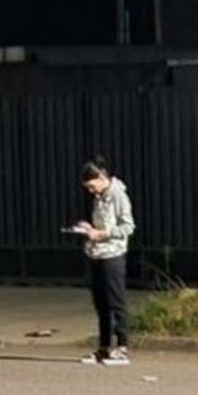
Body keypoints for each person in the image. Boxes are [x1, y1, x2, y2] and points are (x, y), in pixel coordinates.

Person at [72, 156, 135, 366]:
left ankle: (122, 348)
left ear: (100, 177)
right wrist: (88, 229)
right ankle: (104, 347)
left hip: (113, 255)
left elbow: (128, 227)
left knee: (116, 301)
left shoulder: (118, 195)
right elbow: (100, 223)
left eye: (91, 186)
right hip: (96, 253)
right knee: (100, 303)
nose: (91, 191)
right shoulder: (100, 196)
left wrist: (102, 233)